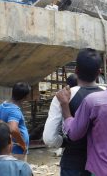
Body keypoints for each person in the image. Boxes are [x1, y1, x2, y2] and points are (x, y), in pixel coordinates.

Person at [43, 48, 103, 176]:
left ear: (76, 70)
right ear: (99, 72)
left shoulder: (63, 96)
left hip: (74, 164)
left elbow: (49, 138)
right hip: (103, 164)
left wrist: (65, 141)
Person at [0, 82, 31, 161]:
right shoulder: (14, 110)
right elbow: (13, 129)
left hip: (7, 147)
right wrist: (22, 144)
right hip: (16, 150)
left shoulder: (2, 105)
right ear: (25, 97)